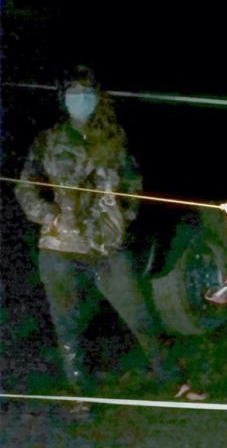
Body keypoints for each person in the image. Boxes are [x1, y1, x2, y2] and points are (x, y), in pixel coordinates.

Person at [15, 65, 204, 413]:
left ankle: (174, 382)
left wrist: (124, 217)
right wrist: (50, 217)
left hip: (108, 248)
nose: (80, 99)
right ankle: (82, 393)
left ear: (97, 98)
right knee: (68, 326)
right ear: (63, 98)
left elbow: (132, 182)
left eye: (86, 92)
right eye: (73, 93)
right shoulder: (48, 140)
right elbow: (26, 186)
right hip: (61, 249)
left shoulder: (113, 137)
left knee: (141, 317)